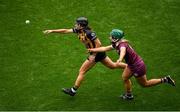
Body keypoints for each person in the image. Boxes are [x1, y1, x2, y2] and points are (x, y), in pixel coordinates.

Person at [43, 17, 127, 96]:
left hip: (96, 53)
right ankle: (129, 67)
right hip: (97, 53)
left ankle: (73, 90)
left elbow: (99, 43)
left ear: (81, 25)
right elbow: (65, 31)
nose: (75, 25)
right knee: (112, 66)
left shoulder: (89, 33)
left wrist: (93, 55)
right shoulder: (78, 30)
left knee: (82, 71)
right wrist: (52, 31)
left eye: (77, 23)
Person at [88, 29, 175, 100]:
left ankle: (165, 79)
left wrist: (120, 59)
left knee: (145, 84)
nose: (109, 37)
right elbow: (105, 48)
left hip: (138, 66)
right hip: (131, 65)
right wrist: (93, 50)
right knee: (124, 77)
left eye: (111, 36)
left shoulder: (122, 45)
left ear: (115, 38)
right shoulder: (116, 44)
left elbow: (123, 51)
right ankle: (129, 95)